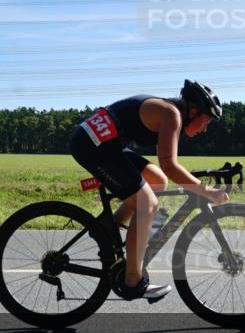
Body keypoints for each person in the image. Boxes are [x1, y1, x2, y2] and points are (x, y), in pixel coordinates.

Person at [68, 80, 229, 302]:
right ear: (193, 111)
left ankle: (108, 227)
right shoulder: (171, 114)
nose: (206, 128)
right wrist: (205, 191)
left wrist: (197, 185)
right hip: (94, 145)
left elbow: (166, 169)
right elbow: (170, 165)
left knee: (157, 181)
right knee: (148, 203)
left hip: (103, 142)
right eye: (207, 120)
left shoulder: (171, 113)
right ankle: (132, 280)